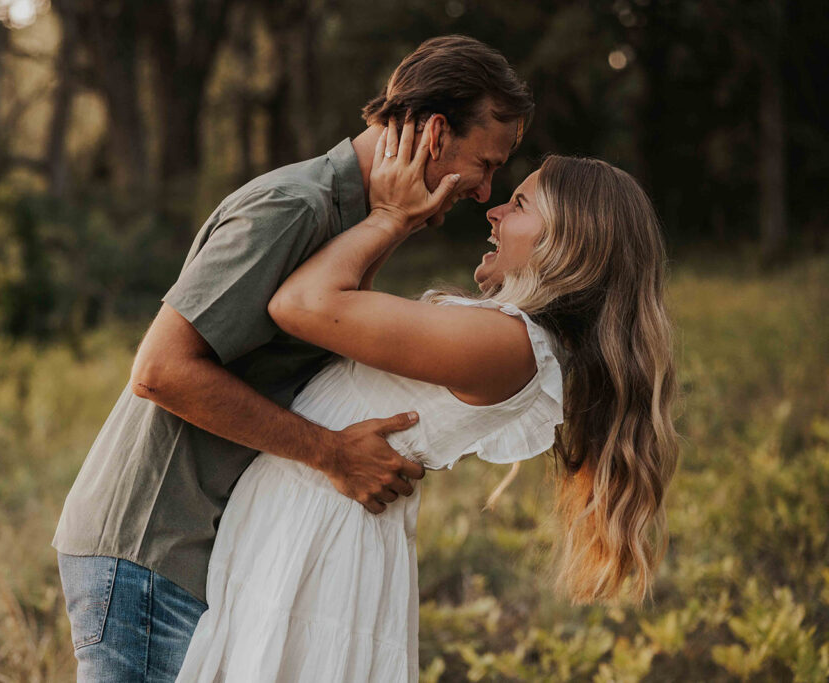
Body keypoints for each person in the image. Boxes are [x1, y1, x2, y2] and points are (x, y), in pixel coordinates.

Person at [52, 36, 535, 681]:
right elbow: (160, 371)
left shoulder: (354, 220)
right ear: (436, 133)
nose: (484, 191)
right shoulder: (294, 207)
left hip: (194, 549)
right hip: (150, 550)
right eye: (486, 164)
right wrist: (331, 453)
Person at [175, 120, 679, 682]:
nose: (493, 212)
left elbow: (301, 304)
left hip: (319, 541)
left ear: (568, 242)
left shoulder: (507, 344)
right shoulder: (507, 338)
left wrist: (392, 217)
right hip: (307, 524)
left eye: (519, 204)